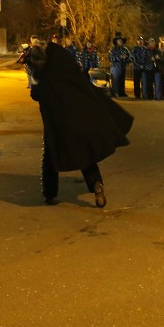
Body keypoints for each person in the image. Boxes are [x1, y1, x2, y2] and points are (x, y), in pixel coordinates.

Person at [28, 38, 133, 207]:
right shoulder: (67, 69)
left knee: (51, 154)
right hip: (78, 120)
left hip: (58, 124)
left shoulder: (46, 77)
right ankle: (96, 184)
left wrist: (32, 72)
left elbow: (36, 94)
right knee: (85, 155)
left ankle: (49, 193)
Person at [108, 33, 131, 98]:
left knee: (122, 80)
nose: (120, 41)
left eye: (121, 40)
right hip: (115, 67)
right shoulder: (113, 50)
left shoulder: (125, 49)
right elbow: (111, 58)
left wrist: (126, 58)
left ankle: (122, 92)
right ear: (116, 41)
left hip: (123, 67)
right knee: (115, 81)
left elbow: (130, 57)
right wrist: (119, 57)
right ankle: (115, 93)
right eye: (118, 40)